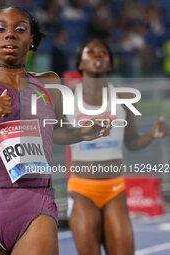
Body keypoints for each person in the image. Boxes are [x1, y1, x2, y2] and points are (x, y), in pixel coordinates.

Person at [0, 7, 111, 255]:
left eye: (20, 29)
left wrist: (82, 133)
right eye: (0, 29)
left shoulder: (50, 83)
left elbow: (55, 132)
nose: (10, 35)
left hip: (35, 205)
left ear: (31, 41)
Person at [67, 38, 170, 255]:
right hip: (81, 190)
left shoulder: (123, 98)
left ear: (111, 64)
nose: (97, 55)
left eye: (103, 53)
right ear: (80, 64)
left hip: (115, 189)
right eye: (90, 52)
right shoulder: (67, 98)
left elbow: (132, 142)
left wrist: (152, 134)